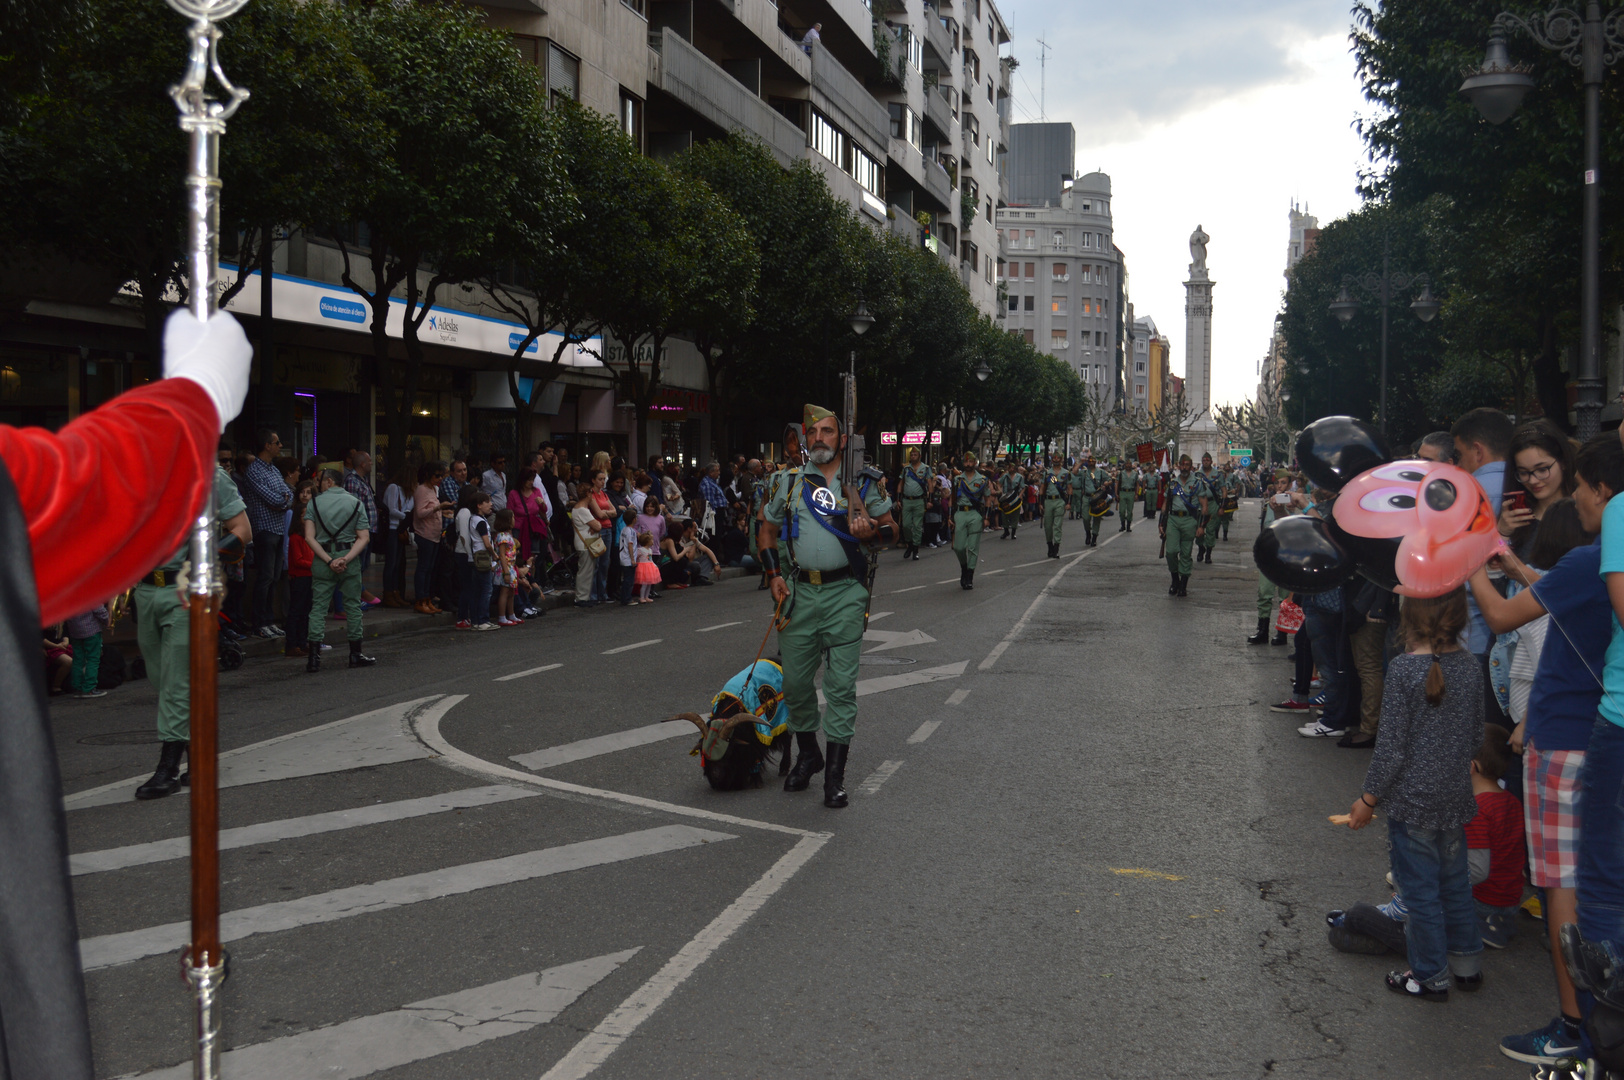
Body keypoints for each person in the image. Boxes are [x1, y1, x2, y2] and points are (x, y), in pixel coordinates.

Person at [1467, 436, 1623, 1065]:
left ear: (1603, 492)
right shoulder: (1593, 567)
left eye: (1583, 485)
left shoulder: (1592, 560)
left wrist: (1473, 567)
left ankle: (1575, 1023)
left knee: (1563, 882)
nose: (1578, 495)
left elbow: (1503, 619)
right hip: (1592, 734)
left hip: (1563, 738)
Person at [1345, 587, 1484, 1002]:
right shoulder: (1470, 666)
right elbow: (1476, 735)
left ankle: (1428, 975)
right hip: (1454, 797)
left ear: (1409, 617)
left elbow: (1391, 749)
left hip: (1412, 804)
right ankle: (1467, 964)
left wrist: (1368, 800)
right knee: (1454, 882)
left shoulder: (1404, 671)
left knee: (1419, 890)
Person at [758, 403, 897, 808]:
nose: (819, 438)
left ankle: (833, 778)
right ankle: (809, 754)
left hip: (845, 594)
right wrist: (774, 576)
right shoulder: (788, 483)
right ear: (805, 438)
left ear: (842, 438)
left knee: (839, 688)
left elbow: (893, 532)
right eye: (813, 432)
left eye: (827, 431)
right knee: (796, 685)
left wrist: (871, 530)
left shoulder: (865, 483)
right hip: (799, 593)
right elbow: (766, 532)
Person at [133, 462, 250, 798]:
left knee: (176, 682)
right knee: (163, 680)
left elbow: (242, 529)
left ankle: (167, 771)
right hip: (145, 589)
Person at [304, 467, 376, 669]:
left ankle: (313, 658)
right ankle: (355, 654)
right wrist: (346, 558)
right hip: (349, 561)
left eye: (320, 480)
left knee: (318, 608)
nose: (318, 484)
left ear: (328, 482)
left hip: (322, 560)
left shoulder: (314, 503)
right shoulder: (355, 503)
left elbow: (309, 537)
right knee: (353, 607)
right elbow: (364, 537)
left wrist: (329, 560)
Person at [1467, 726, 1527, 951]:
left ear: (1471, 766)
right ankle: (1500, 921)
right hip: (1509, 899)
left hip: (1482, 899)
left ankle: (1481, 926)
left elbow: (1476, 870)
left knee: (1426, 905)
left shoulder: (1476, 809)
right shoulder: (1510, 801)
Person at [1498, 418, 1577, 561]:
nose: (1533, 480)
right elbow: (1495, 571)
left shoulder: (1583, 513)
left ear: (1563, 462)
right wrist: (1501, 534)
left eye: (1541, 469)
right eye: (1523, 472)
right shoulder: (1515, 518)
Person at [241, 427, 292, 636]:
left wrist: (283, 500)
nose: (280, 446)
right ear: (267, 445)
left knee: (274, 577)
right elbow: (274, 499)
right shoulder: (254, 471)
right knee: (265, 577)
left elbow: (288, 492)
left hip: (279, 529)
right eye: (277, 442)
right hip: (264, 529)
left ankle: (269, 620)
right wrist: (282, 500)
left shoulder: (274, 469)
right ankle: (259, 622)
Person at [1159, 453, 1207, 597]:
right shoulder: (1173, 483)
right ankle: (1175, 580)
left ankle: (1183, 585)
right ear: (1179, 466)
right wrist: (1161, 523)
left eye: (1187, 465)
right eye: (1182, 465)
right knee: (1171, 552)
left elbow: (1204, 506)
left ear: (1191, 466)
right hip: (1173, 520)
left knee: (1186, 553)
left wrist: (1201, 526)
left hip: (1189, 521)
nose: (1185, 467)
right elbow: (1165, 504)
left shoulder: (1198, 483)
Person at [453, 488, 497, 630]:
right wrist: (492, 555)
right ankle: (479, 619)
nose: (490, 504)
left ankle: (475, 620)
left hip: (472, 555)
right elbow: (468, 538)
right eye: (487, 501)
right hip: (475, 556)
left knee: (476, 589)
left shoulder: (472, 517)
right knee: (483, 590)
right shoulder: (470, 515)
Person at [342, 450, 381, 609]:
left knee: (363, 566)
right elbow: (354, 509)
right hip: (359, 532)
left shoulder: (364, 480)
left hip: (368, 530)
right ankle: (352, 598)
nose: (372, 464)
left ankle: (357, 594)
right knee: (356, 566)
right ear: (362, 464)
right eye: (370, 461)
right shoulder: (352, 481)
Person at [412, 461, 452, 615]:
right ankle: (420, 599)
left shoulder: (434, 489)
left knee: (430, 569)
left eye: (441, 475)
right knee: (423, 568)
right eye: (437, 475)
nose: (440, 478)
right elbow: (421, 512)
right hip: (425, 534)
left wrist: (442, 512)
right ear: (428, 475)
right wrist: (438, 507)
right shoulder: (421, 490)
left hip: (435, 534)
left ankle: (427, 598)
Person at [950, 451, 994, 589]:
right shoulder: (958, 480)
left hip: (975, 514)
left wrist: (987, 518)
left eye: (971, 462)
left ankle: (969, 575)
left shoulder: (982, 480)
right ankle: (964, 567)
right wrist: (950, 516)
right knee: (958, 547)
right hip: (960, 513)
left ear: (975, 463)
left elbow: (988, 500)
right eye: (966, 462)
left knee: (973, 548)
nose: (968, 464)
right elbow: (952, 499)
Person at [283, 480, 315, 659]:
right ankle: (292, 643)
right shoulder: (296, 537)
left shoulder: (307, 536)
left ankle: (302, 642)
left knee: (305, 611)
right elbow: (298, 560)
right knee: (296, 611)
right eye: (304, 516)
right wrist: (314, 564)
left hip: (308, 576)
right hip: (300, 576)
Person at [381, 465, 413, 607]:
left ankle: (395, 592)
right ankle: (388, 593)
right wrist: (405, 516)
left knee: (398, 563)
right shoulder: (394, 488)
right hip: (392, 528)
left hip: (401, 528)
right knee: (391, 563)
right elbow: (391, 509)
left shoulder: (408, 491)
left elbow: (410, 507)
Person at [64, 601, 109, 699]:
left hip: (74, 632)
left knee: (78, 660)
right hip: (91, 630)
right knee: (93, 659)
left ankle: (77, 688)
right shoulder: (88, 592)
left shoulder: (68, 593)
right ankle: (89, 688)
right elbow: (99, 610)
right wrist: (108, 621)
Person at [570, 484, 604, 607]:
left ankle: (584, 596)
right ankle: (581, 598)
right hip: (586, 544)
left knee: (587, 570)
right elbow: (598, 526)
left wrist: (593, 527)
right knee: (585, 571)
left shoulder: (577, 508)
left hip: (585, 543)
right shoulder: (583, 510)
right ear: (588, 494)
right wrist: (595, 527)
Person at [898, 447, 931, 560]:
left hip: (919, 501)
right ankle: (910, 544)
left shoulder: (925, 468)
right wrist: (898, 499)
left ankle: (915, 549)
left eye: (915, 455)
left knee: (917, 526)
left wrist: (929, 500)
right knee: (905, 525)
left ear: (919, 456)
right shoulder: (906, 469)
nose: (913, 456)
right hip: (907, 500)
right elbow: (901, 483)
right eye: (911, 455)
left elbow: (930, 484)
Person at [1040, 452, 1071, 558]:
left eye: (1058, 459)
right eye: (1054, 458)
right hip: (1048, 501)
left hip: (1059, 501)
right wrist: (1040, 503)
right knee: (1048, 526)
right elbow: (1042, 488)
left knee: (1057, 526)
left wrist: (1068, 503)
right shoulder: (1047, 473)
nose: (1056, 460)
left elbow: (1069, 488)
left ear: (1061, 460)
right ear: (1052, 460)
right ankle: (1050, 546)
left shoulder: (1066, 473)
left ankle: (1056, 548)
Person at [1194, 452, 1221, 563]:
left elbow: (1222, 489)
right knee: (1199, 528)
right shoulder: (1196, 474)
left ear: (1211, 461)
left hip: (1212, 503)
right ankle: (1201, 548)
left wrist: (1221, 506)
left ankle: (1208, 553)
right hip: (1199, 504)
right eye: (1204, 461)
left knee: (1210, 529)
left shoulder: (1217, 474)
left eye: (1208, 460)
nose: (1206, 462)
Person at [998, 458, 1023, 540]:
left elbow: (1023, 487)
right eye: (1009, 467)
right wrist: (1001, 493)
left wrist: (1020, 495)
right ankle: (1006, 531)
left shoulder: (1020, 477)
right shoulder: (1005, 476)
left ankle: (1013, 532)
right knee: (1004, 515)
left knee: (1015, 515)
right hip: (1006, 498)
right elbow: (999, 484)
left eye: (1012, 468)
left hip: (1015, 497)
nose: (1011, 469)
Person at [634, 530, 661, 603]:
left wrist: (654, 565)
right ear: (647, 541)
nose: (653, 541)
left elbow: (650, 559)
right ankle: (642, 597)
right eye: (651, 540)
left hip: (649, 566)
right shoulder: (640, 550)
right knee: (644, 584)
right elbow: (636, 557)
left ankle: (646, 596)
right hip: (643, 567)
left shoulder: (650, 550)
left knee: (649, 583)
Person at [1115, 461, 1136, 534]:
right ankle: (1123, 525)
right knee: (1122, 511)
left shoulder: (1135, 473)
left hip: (1131, 492)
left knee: (1130, 511)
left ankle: (1128, 526)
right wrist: (1116, 493)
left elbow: (1137, 484)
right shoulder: (1121, 473)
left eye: (1129, 464)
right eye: (1127, 464)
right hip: (1122, 492)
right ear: (1124, 465)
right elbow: (1117, 483)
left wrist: (1136, 494)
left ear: (1131, 465)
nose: (1128, 465)